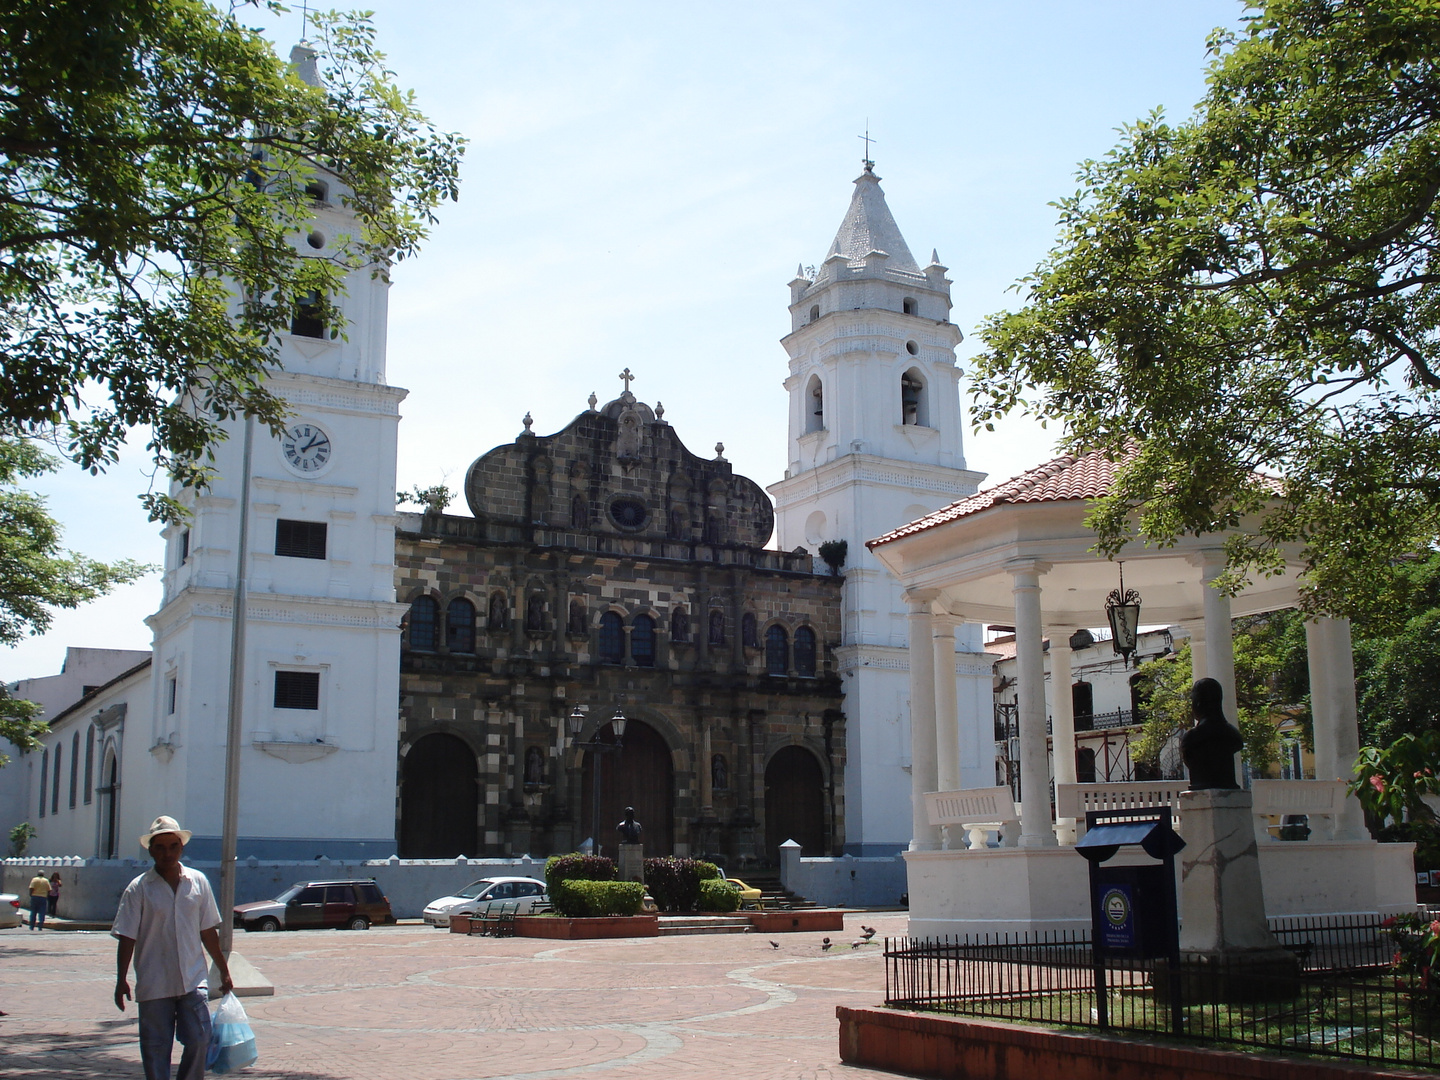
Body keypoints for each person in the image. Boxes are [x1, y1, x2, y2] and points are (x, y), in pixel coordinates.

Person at [113, 815, 233, 1080]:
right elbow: (127, 936)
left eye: (173, 846)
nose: (167, 853)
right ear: (151, 850)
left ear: (181, 848)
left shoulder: (198, 882)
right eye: (160, 847)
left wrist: (223, 970)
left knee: (200, 1039)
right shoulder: (139, 889)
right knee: (156, 1048)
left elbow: (207, 931)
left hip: (193, 979)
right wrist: (121, 979)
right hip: (155, 981)